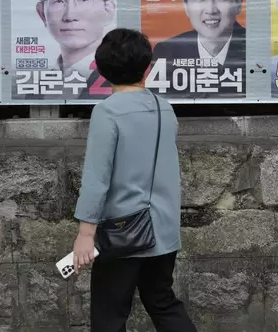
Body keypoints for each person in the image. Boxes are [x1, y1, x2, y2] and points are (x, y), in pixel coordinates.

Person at [71, 28, 197, 332]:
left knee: (109, 316)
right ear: (147, 67)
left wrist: (85, 233)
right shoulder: (164, 108)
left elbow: (96, 177)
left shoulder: (107, 113)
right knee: (162, 302)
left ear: (101, 70)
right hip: (164, 232)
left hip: (123, 233)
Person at [151, 0, 245, 96]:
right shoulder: (167, 52)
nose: (211, 10)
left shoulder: (258, 49)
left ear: (238, 3)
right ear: (186, 6)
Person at [32, 0, 116, 100]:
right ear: (42, 13)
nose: (70, 15)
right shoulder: (33, 86)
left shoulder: (119, 77)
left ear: (108, 10)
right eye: (58, 1)